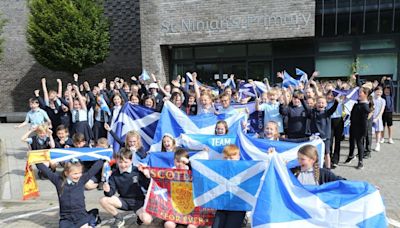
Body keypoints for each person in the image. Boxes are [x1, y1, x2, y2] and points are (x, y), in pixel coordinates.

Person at [36, 158, 104, 228]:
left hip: (81, 215)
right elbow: (46, 171)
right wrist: (35, 159)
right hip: (66, 218)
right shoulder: (59, 181)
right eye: (75, 173)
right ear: (66, 173)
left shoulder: (82, 179)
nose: (78, 175)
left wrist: (104, 157)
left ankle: (92, 217)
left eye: (80, 173)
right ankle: (91, 215)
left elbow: (94, 169)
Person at [99, 148, 152, 228]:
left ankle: (139, 216)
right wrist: (107, 190)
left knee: (147, 220)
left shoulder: (137, 171)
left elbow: (147, 187)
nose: (123, 165)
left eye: (126, 162)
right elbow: (111, 193)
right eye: (120, 162)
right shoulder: (114, 174)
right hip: (123, 201)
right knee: (103, 200)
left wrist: (147, 177)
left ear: (131, 161)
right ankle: (119, 218)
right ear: (117, 161)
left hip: (138, 202)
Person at [212, 144, 246, 228]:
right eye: (225, 158)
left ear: (238, 157)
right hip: (222, 207)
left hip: (237, 208)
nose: (228, 160)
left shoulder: (246, 170)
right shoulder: (218, 169)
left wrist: (271, 157)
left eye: (231, 158)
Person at [304, 95, 339, 169]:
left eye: (323, 103)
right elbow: (306, 108)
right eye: (319, 103)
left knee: (327, 153)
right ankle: (314, 168)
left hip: (325, 137)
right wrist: (301, 100)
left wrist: (336, 103)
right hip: (315, 137)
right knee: (314, 153)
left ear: (326, 104)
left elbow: (333, 109)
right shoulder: (312, 112)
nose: (321, 104)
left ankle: (328, 168)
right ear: (316, 104)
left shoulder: (327, 113)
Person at [345, 87, 371, 170]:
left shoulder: (365, 107)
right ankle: (351, 155)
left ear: (365, 94)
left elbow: (365, 121)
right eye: (359, 92)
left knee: (359, 144)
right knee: (351, 141)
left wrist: (364, 132)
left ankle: (360, 161)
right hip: (353, 126)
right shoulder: (357, 104)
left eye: (360, 93)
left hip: (360, 128)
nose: (359, 94)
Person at [372, 86, 386, 152]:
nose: (379, 93)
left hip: (378, 118)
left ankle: (377, 144)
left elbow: (382, 110)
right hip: (371, 117)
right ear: (375, 92)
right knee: (370, 132)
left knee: (378, 131)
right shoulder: (371, 99)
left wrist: (377, 118)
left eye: (380, 92)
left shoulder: (383, 100)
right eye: (378, 92)